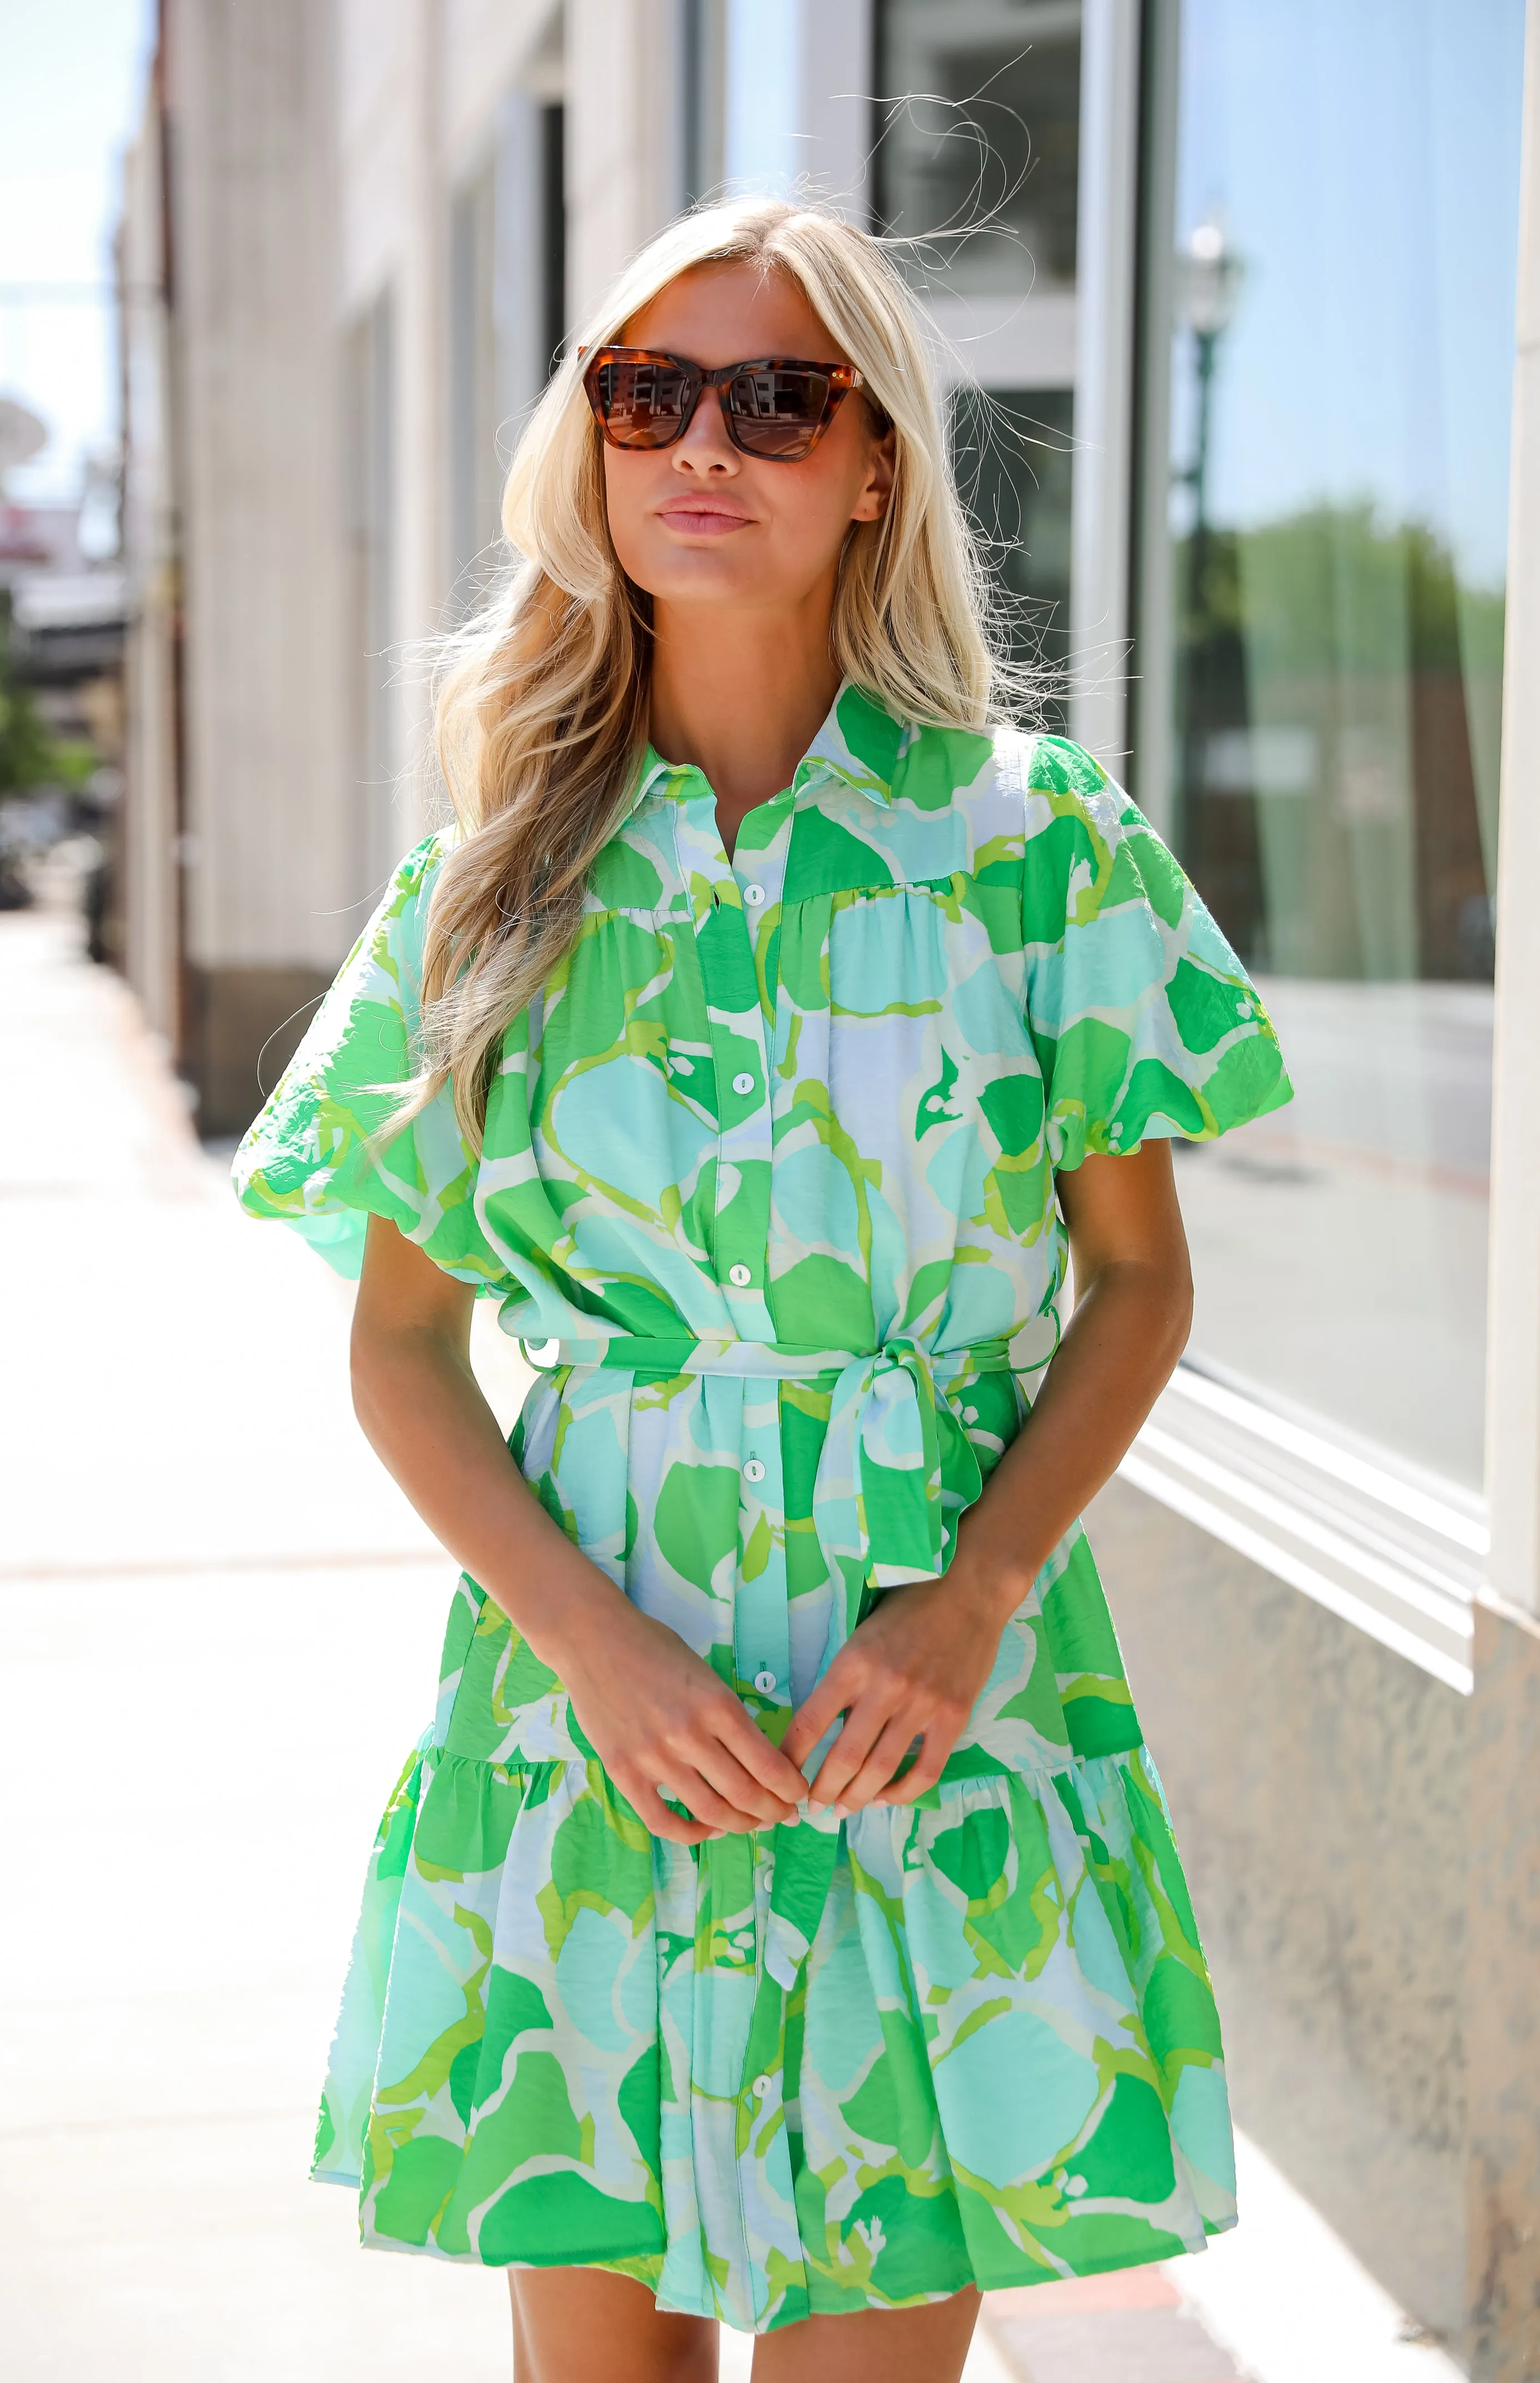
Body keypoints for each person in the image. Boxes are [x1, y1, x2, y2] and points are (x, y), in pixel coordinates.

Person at [235, 197, 1291, 2383]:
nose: (703, 444)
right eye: (649, 394)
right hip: (590, 1701)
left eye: (778, 398)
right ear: (592, 448)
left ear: (875, 461)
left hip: (931, 1705)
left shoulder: (1035, 847)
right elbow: (404, 1348)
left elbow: (1137, 1287)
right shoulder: (494, 877)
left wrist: (978, 1592)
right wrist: (596, 1650)